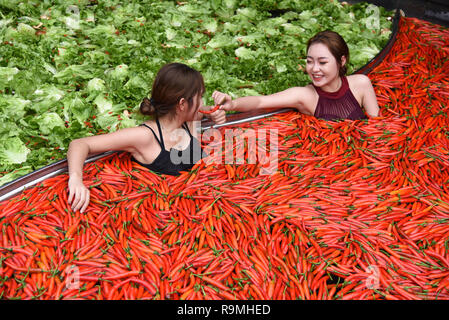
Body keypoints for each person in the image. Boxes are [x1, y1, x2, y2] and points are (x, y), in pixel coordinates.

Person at [67, 62, 226, 213]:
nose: (202, 103)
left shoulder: (189, 120)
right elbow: (80, 144)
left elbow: (205, 110)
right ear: (182, 104)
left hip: (203, 203)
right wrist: (76, 179)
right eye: (199, 97)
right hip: (166, 214)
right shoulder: (144, 136)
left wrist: (214, 112)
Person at [212, 30, 379, 120]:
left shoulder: (361, 84)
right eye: (309, 61)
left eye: (322, 62)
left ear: (341, 61)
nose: (314, 69)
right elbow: (261, 101)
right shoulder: (305, 95)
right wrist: (232, 104)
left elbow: (378, 129)